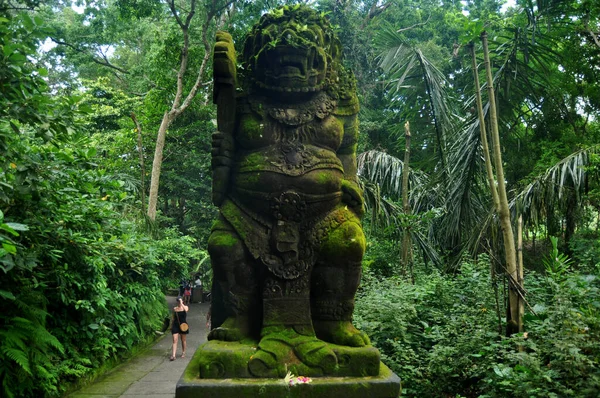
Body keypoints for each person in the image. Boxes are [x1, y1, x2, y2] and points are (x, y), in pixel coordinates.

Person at [170, 296, 189, 361]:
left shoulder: (185, 307)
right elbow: (173, 318)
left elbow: (186, 310)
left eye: (180, 301)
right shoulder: (175, 309)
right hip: (175, 325)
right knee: (175, 340)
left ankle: (183, 352)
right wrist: (171, 325)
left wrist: (182, 303)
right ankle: (173, 355)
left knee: (183, 340)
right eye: (178, 301)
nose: (179, 303)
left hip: (183, 325)